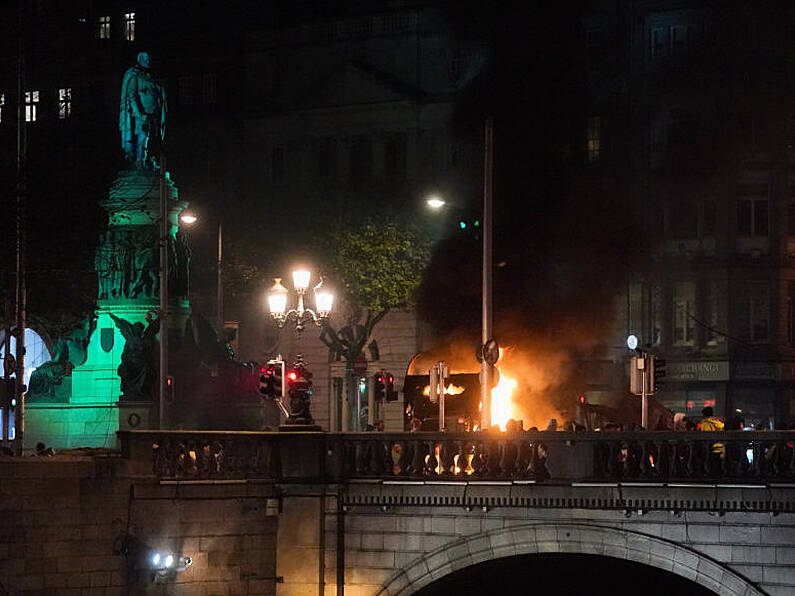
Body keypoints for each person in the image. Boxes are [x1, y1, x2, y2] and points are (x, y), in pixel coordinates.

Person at [120, 52, 167, 166]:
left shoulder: (151, 76)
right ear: (140, 59)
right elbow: (131, 96)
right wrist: (139, 114)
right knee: (142, 139)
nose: (148, 62)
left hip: (153, 114)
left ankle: (148, 160)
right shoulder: (134, 75)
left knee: (151, 139)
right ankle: (140, 161)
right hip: (141, 115)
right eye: (146, 59)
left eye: (150, 59)